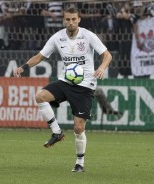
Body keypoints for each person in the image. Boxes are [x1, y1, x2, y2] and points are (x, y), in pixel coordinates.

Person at [13, 6, 112, 172]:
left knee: (79, 128)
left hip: (85, 85)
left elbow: (107, 55)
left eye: (74, 19)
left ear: (79, 19)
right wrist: (24, 66)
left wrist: (102, 68)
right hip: (66, 81)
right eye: (68, 19)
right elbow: (40, 56)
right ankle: (57, 132)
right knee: (40, 96)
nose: (71, 22)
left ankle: (80, 163)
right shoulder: (57, 37)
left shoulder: (88, 35)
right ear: (63, 20)